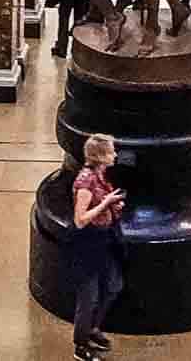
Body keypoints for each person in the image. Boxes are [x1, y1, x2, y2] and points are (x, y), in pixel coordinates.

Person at [69, 132, 125, 361]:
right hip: (88, 244)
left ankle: (94, 328)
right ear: (100, 156)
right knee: (88, 296)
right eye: (111, 151)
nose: (115, 154)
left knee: (113, 286)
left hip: (105, 239)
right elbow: (80, 220)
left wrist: (113, 206)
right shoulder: (85, 181)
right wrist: (105, 203)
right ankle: (80, 346)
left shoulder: (101, 176)